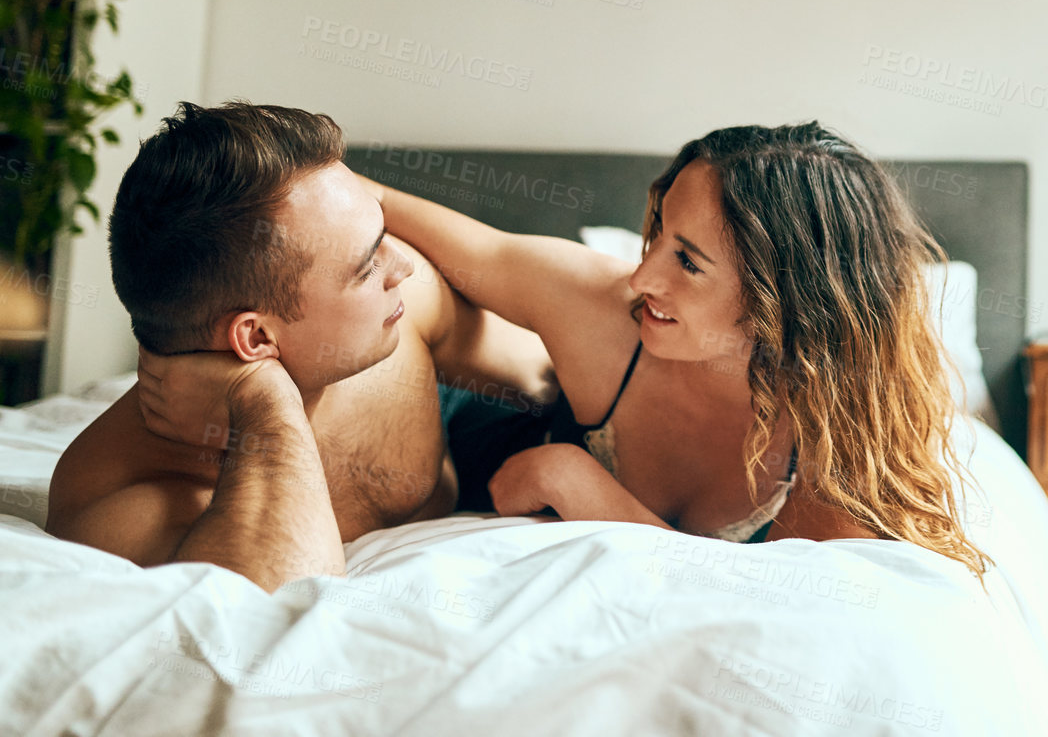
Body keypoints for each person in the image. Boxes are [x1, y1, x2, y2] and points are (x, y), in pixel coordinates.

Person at [369, 122, 992, 575]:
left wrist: (574, 478)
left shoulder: (842, 445)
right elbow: (444, 236)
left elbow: (768, 602)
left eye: (688, 263)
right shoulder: (604, 305)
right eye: (659, 233)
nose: (642, 280)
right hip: (450, 441)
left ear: (791, 298)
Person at [46, 102, 554, 591]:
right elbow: (280, 603)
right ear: (258, 338)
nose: (404, 266)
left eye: (382, 237)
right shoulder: (118, 494)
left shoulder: (402, 304)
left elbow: (552, 377)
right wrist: (262, 398)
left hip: (474, 422)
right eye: (365, 265)